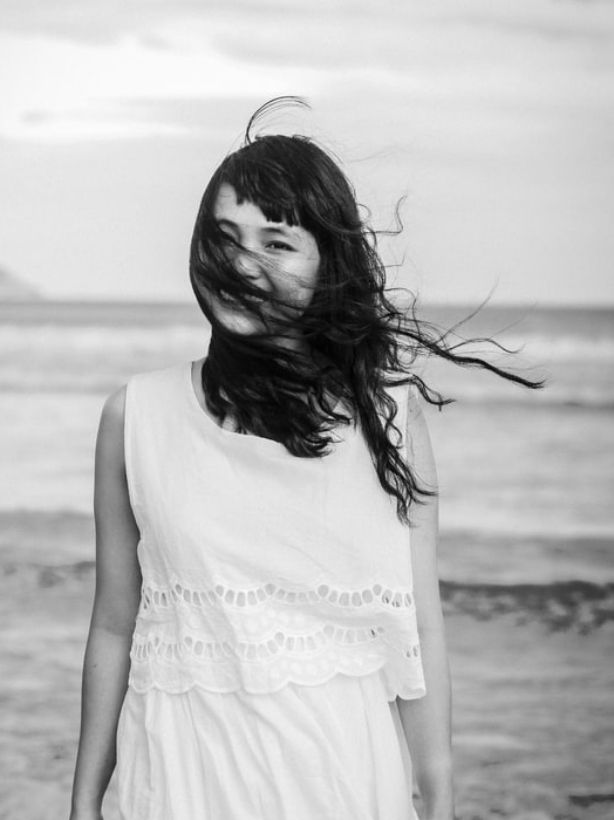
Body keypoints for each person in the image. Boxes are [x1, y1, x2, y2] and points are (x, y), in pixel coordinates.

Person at [69, 99, 540, 820]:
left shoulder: (388, 418)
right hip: (179, 774)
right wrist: (84, 804)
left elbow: (420, 627)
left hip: (340, 775)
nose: (241, 264)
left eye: (277, 243)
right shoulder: (135, 417)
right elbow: (113, 622)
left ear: (329, 264)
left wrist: (438, 797)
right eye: (224, 238)